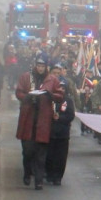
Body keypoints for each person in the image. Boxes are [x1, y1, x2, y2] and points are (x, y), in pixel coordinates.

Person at [15, 52, 63, 190]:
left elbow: (60, 95)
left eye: (43, 66)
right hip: (28, 118)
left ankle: (39, 180)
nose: (40, 68)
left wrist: (50, 95)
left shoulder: (52, 79)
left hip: (43, 120)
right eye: (38, 65)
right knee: (27, 151)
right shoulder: (26, 77)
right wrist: (27, 97)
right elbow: (19, 92)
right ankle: (27, 173)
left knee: (41, 154)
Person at [45, 76, 76, 185]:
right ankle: (49, 174)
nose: (61, 90)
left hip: (63, 134)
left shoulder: (68, 100)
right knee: (49, 155)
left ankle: (58, 177)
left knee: (61, 157)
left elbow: (71, 115)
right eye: (60, 88)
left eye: (63, 88)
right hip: (51, 133)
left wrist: (60, 118)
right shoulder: (51, 99)